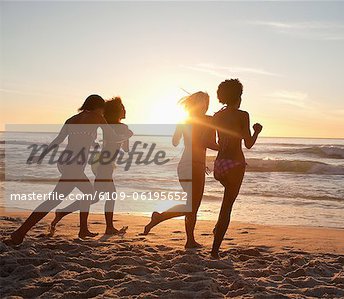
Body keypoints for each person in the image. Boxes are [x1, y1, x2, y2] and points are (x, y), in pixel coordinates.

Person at [5, 95, 115, 245]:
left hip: (64, 162)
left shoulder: (71, 119)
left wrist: (41, 155)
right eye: (103, 109)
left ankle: (83, 229)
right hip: (75, 164)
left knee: (85, 194)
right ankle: (19, 233)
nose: (103, 112)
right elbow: (112, 135)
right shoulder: (97, 116)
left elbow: (57, 140)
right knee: (57, 199)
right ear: (99, 107)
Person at [140, 91, 218, 249]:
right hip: (193, 165)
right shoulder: (208, 121)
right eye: (203, 102)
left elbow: (175, 142)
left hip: (187, 165)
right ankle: (164, 221)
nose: (205, 105)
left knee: (191, 205)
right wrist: (228, 150)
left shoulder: (186, 120)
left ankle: (185, 237)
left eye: (206, 102)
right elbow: (210, 144)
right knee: (192, 206)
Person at [49, 97, 133, 236]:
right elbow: (121, 146)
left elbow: (125, 149)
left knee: (100, 196)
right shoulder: (114, 126)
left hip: (104, 162)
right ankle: (106, 227)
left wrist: (126, 136)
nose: (125, 110)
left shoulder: (112, 125)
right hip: (104, 163)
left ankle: (64, 213)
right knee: (101, 195)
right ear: (117, 111)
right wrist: (126, 135)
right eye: (122, 108)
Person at [211, 79, 262, 258]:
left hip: (219, 165)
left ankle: (218, 228)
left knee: (226, 198)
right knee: (226, 207)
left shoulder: (217, 116)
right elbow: (248, 144)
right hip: (235, 164)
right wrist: (257, 131)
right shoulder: (243, 115)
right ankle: (215, 251)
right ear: (238, 96)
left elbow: (217, 142)